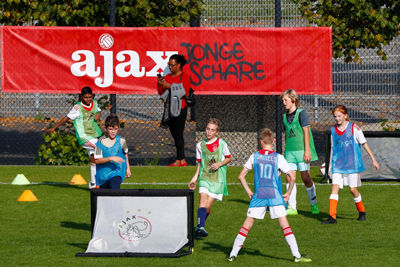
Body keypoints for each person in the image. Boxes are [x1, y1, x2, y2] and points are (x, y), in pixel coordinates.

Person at [226, 128, 311, 263]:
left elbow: (241, 176)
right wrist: (288, 193)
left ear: (261, 141)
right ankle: (297, 256)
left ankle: (232, 254)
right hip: (274, 196)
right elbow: (292, 177)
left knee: (246, 225)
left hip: (259, 196)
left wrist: (249, 191)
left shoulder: (254, 156)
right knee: (285, 225)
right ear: (274, 141)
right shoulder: (278, 157)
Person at [322, 105, 379, 224]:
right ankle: (332, 217)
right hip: (338, 164)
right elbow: (333, 148)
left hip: (352, 165)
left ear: (345, 115)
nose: (337, 119)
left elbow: (364, 144)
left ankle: (362, 211)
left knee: (353, 189)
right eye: (335, 116)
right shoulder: (333, 130)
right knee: (334, 188)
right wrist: (330, 166)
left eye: (339, 116)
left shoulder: (354, 128)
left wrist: (373, 159)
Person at [46, 86, 102, 189]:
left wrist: (98, 115)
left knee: (94, 159)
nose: (88, 99)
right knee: (101, 149)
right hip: (84, 136)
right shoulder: (77, 108)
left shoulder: (94, 103)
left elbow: (98, 110)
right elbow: (66, 118)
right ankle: (103, 179)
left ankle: (93, 184)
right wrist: (54, 127)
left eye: (90, 97)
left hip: (93, 134)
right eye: (85, 97)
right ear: (81, 97)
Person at [188, 118, 232, 238]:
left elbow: (229, 158)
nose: (209, 132)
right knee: (202, 199)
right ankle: (201, 227)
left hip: (217, 180)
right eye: (208, 129)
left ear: (216, 132)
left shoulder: (222, 144)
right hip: (205, 177)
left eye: (212, 130)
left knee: (207, 207)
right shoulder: (200, 145)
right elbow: (199, 164)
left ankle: (198, 227)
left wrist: (219, 164)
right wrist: (194, 178)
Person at [280, 89, 319, 215]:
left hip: (302, 151)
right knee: (289, 177)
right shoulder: (284, 116)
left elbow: (306, 133)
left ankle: (314, 204)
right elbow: (287, 134)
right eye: (282, 100)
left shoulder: (302, 113)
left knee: (306, 177)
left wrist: (307, 151)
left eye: (285, 100)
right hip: (290, 152)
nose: (284, 102)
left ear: (293, 99)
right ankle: (292, 207)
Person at [157, 54, 190, 167]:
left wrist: (170, 86)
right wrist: (161, 84)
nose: (170, 67)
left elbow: (184, 92)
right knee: (174, 134)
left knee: (178, 133)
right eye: (169, 65)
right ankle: (182, 159)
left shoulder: (184, 76)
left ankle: (179, 160)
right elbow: (161, 93)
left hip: (180, 108)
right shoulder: (167, 77)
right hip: (169, 109)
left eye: (173, 65)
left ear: (179, 65)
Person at [93, 114, 131, 189]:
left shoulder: (121, 141)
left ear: (118, 128)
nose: (113, 132)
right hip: (103, 174)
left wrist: (128, 168)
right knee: (105, 197)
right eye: (110, 129)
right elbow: (97, 161)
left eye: (115, 129)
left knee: (114, 189)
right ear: (105, 128)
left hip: (117, 172)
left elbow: (125, 154)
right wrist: (110, 158)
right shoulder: (100, 142)